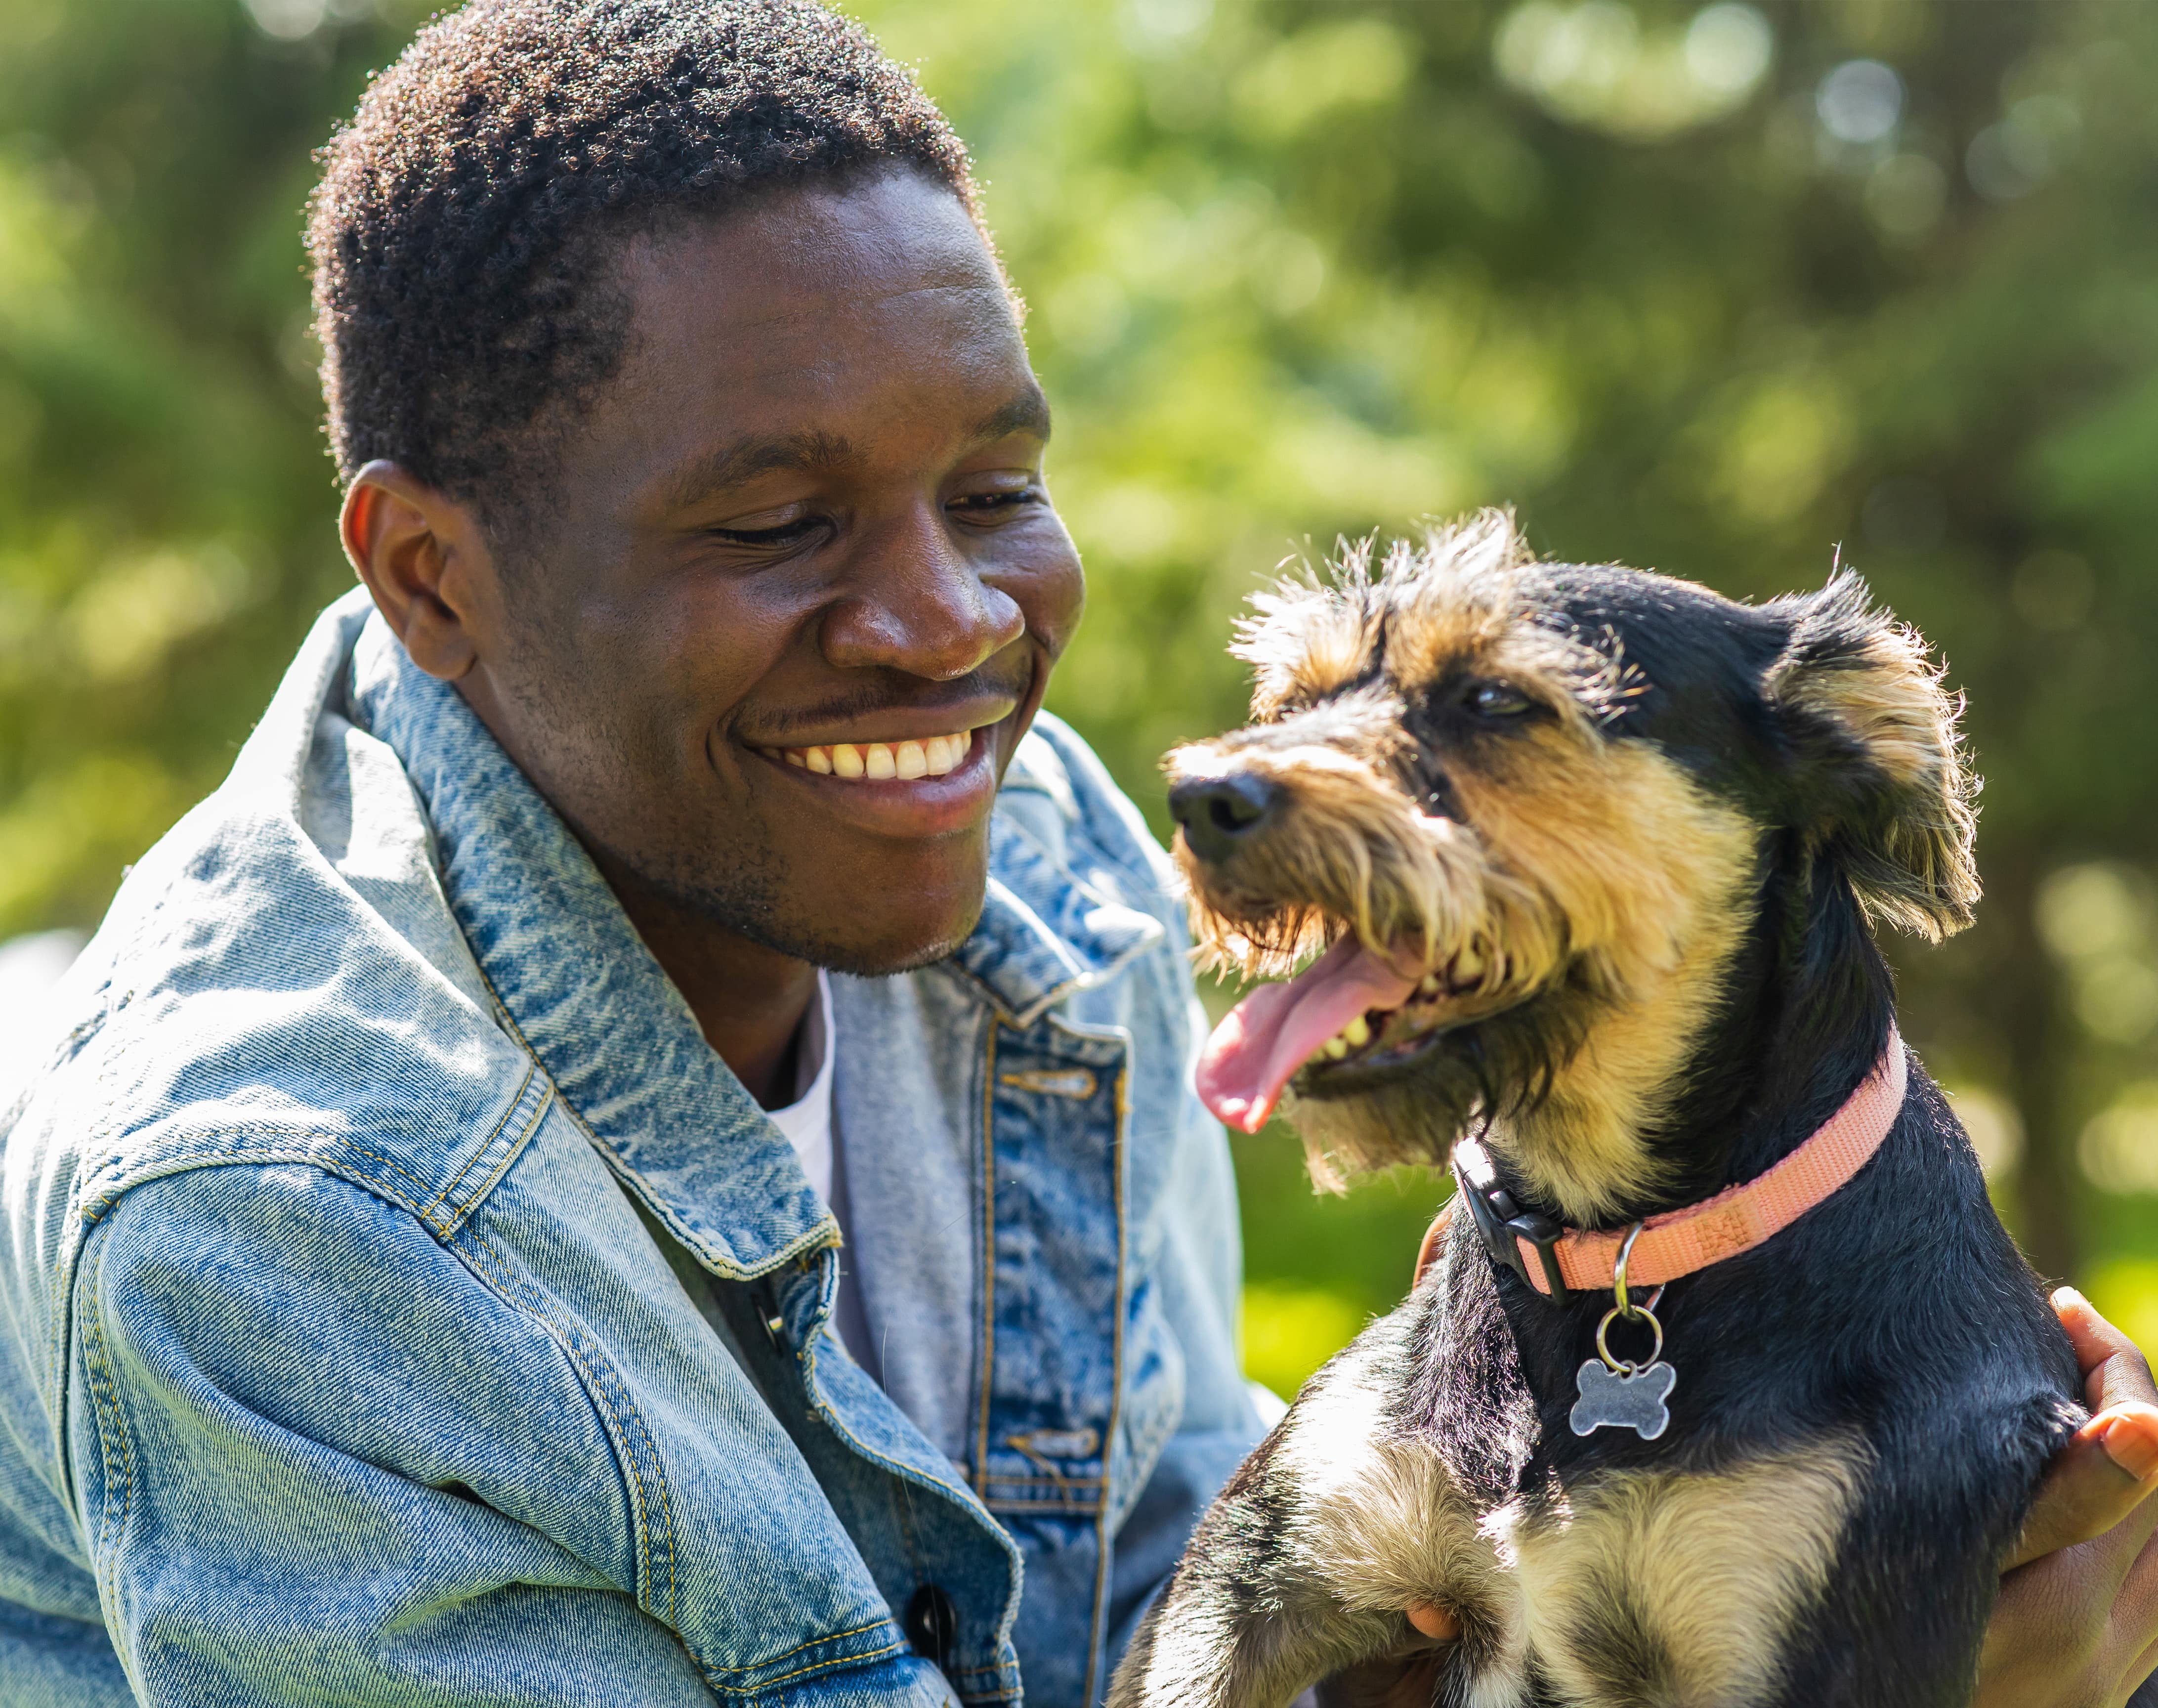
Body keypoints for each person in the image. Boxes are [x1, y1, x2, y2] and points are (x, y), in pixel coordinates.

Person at [0, 3, 2147, 1705]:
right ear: (435, 576)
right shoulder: (278, 1220)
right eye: (777, 522)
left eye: (996, 489)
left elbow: (1141, 1573)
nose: (949, 624)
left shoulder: (1038, 872)